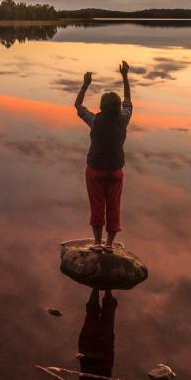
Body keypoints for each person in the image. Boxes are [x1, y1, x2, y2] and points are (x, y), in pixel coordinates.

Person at [74, 61, 132, 252]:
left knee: (97, 205)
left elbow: (78, 105)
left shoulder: (96, 120)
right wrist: (125, 77)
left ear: (101, 107)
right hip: (115, 171)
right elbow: (128, 102)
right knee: (114, 205)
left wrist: (85, 84)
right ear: (117, 109)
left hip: (95, 171)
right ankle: (109, 244)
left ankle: (97, 243)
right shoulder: (123, 120)